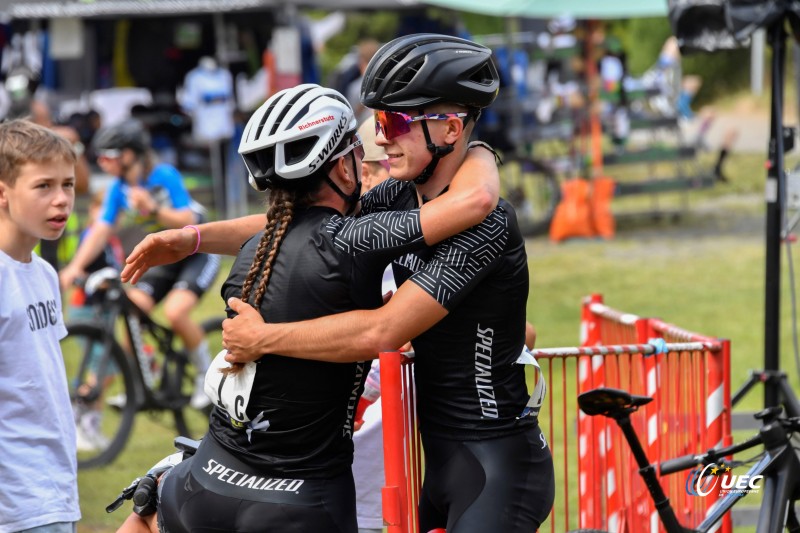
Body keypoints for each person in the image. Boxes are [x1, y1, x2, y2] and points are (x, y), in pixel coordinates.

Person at [124, 34, 555, 533]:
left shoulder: (488, 225)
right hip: (441, 459)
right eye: (374, 122)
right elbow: (304, 229)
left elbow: (382, 331)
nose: (379, 139)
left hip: (498, 460)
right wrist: (192, 238)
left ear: (450, 128)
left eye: (393, 122)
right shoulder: (397, 194)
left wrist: (265, 338)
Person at [59, 119, 221, 415]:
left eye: (108, 156)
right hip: (168, 259)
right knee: (132, 309)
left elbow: (188, 219)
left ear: (129, 155)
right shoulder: (118, 189)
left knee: (175, 311)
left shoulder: (163, 176)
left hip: (198, 251)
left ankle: (205, 378)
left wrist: (154, 208)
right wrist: (74, 268)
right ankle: (142, 380)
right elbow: (100, 231)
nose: (101, 162)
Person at [0, 119, 80, 532]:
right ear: (3, 192)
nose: (61, 200)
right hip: (14, 503)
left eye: (67, 185)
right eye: (43, 186)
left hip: (54, 489)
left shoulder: (45, 273)